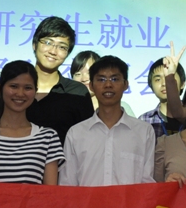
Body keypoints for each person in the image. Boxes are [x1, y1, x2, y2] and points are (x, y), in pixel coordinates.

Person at [0, 60, 63, 185]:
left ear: (35, 91)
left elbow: (50, 192)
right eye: (14, 86)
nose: (20, 93)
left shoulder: (48, 137)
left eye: (28, 88)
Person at [61, 56, 155, 186]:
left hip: (130, 200)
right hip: (86, 200)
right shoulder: (76, 133)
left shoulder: (144, 131)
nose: (108, 85)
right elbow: (68, 184)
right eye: (101, 79)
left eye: (115, 79)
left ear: (126, 85)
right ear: (91, 86)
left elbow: (147, 183)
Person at [25, 16, 94, 143]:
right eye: (48, 42)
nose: (53, 51)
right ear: (34, 44)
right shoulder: (13, 86)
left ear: (67, 54)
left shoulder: (77, 92)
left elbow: (87, 141)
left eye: (62, 47)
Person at [138, 59, 185, 139]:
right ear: (151, 86)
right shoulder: (144, 120)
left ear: (182, 84)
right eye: (158, 79)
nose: (164, 83)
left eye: (170, 78)